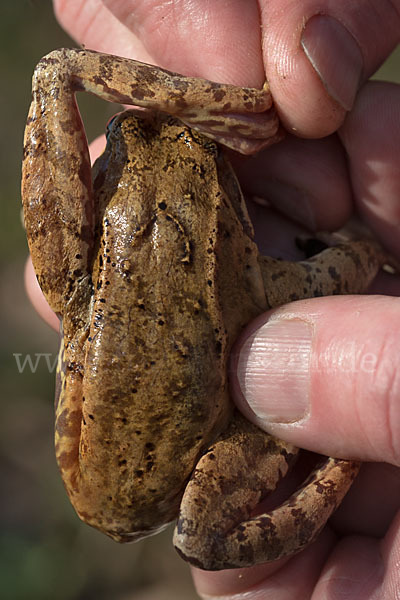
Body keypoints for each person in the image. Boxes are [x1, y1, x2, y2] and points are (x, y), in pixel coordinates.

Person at [26, 1, 400, 597]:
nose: (128, 124)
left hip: (99, 473)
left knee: (199, 534)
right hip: (177, 454)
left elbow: (56, 73)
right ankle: (340, 463)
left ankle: (338, 463)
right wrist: (362, 244)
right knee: (200, 535)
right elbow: (345, 269)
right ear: (228, 214)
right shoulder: (252, 283)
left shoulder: (72, 277)